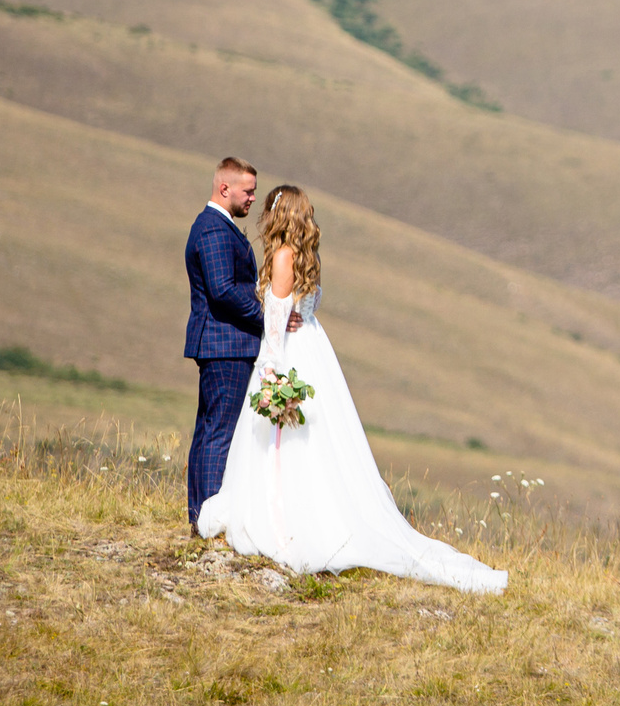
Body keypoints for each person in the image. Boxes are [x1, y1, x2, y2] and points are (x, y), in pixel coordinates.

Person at [196, 184, 507, 593]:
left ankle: (283, 525)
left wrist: (270, 369)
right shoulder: (308, 256)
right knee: (315, 443)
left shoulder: (284, 255)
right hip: (313, 346)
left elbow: (275, 319)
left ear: (278, 215)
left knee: (282, 440)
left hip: (288, 351)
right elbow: (307, 304)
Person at [184, 156, 274, 530]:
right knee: (220, 433)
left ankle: (201, 515)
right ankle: (208, 517)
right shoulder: (213, 230)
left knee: (210, 431)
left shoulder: (218, 227)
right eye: (248, 191)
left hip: (224, 344)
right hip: (227, 346)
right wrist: (268, 314)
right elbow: (222, 291)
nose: (253, 198)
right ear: (225, 188)